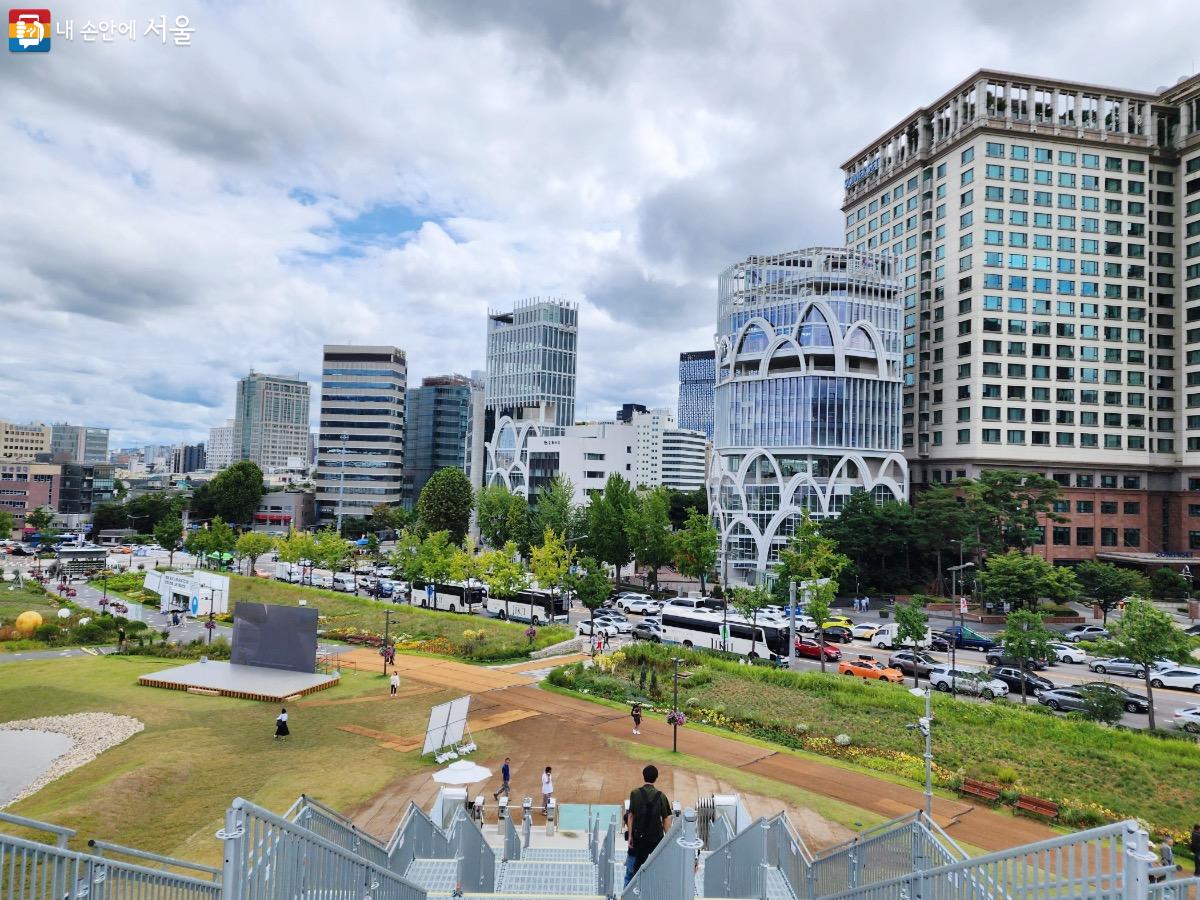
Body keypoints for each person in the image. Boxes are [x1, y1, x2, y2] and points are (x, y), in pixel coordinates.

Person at [624, 764, 672, 886]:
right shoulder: (661, 796)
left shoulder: (635, 793)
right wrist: (668, 841)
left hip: (638, 839)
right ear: (656, 778)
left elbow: (631, 816)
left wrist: (630, 836)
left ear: (643, 776)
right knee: (658, 869)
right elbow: (666, 820)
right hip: (656, 839)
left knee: (632, 872)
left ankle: (630, 892)